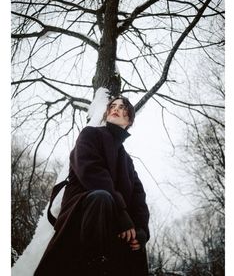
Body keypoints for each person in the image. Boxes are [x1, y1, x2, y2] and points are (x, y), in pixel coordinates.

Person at [34, 96, 150, 276]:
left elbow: (138, 197)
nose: (115, 108)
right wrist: (121, 213)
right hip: (83, 210)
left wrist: (142, 231)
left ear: (129, 120)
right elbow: (92, 172)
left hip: (115, 221)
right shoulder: (90, 134)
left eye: (122, 107)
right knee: (101, 197)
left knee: (136, 238)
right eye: (113, 105)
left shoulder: (128, 161)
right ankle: (92, 266)